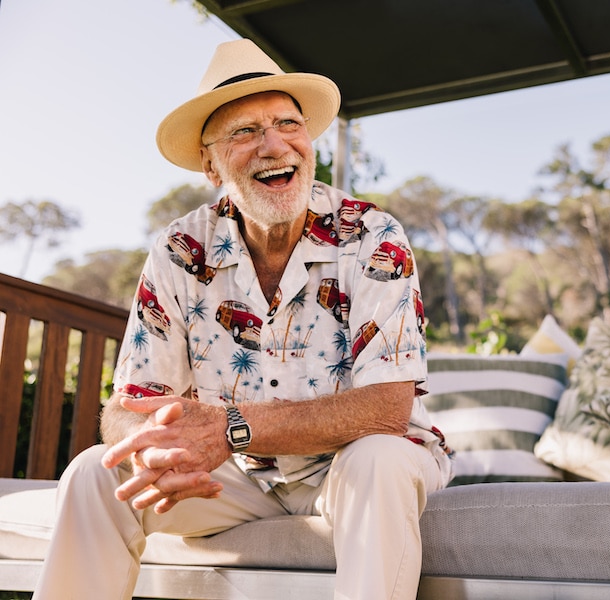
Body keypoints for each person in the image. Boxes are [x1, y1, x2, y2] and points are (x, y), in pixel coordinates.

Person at [34, 38, 453, 600]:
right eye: (245, 132)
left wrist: (229, 427)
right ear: (210, 164)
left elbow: (386, 409)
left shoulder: (374, 236)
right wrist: (159, 448)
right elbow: (130, 407)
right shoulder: (180, 248)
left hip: (351, 464)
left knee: (379, 458)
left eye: (287, 124)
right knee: (92, 475)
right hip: (242, 478)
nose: (273, 145)